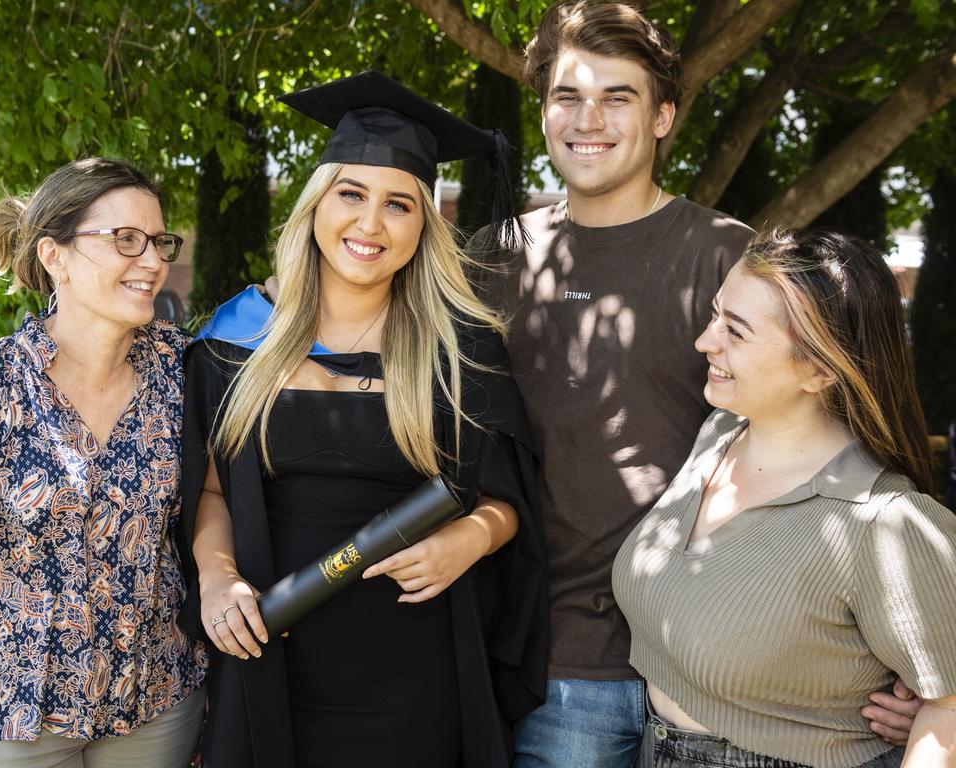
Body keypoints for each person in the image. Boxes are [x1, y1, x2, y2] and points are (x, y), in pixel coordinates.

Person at [465, 2, 922, 764]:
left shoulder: (726, 257)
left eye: (619, 97)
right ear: (543, 110)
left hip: (715, 663)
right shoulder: (495, 256)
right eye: (568, 96)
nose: (590, 119)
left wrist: (907, 661)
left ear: (665, 115)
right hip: (543, 653)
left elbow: (836, 435)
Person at [175, 70, 548, 768]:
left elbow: (509, 496)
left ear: (424, 225)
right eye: (351, 193)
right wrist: (218, 577)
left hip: (415, 669)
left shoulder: (461, 348)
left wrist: (470, 537)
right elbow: (211, 491)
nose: (370, 224)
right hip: (269, 652)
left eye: (400, 204)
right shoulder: (234, 339)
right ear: (316, 203)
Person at [612, 229, 956, 767]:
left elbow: (948, 714)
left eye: (737, 332)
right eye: (715, 314)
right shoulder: (720, 434)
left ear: (820, 370)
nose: (706, 341)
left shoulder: (884, 522)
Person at [0, 158, 208, 767]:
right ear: (53, 256)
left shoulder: (185, 373)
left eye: (159, 241)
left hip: (152, 698)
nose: (154, 261)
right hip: (5, 709)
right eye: (125, 240)